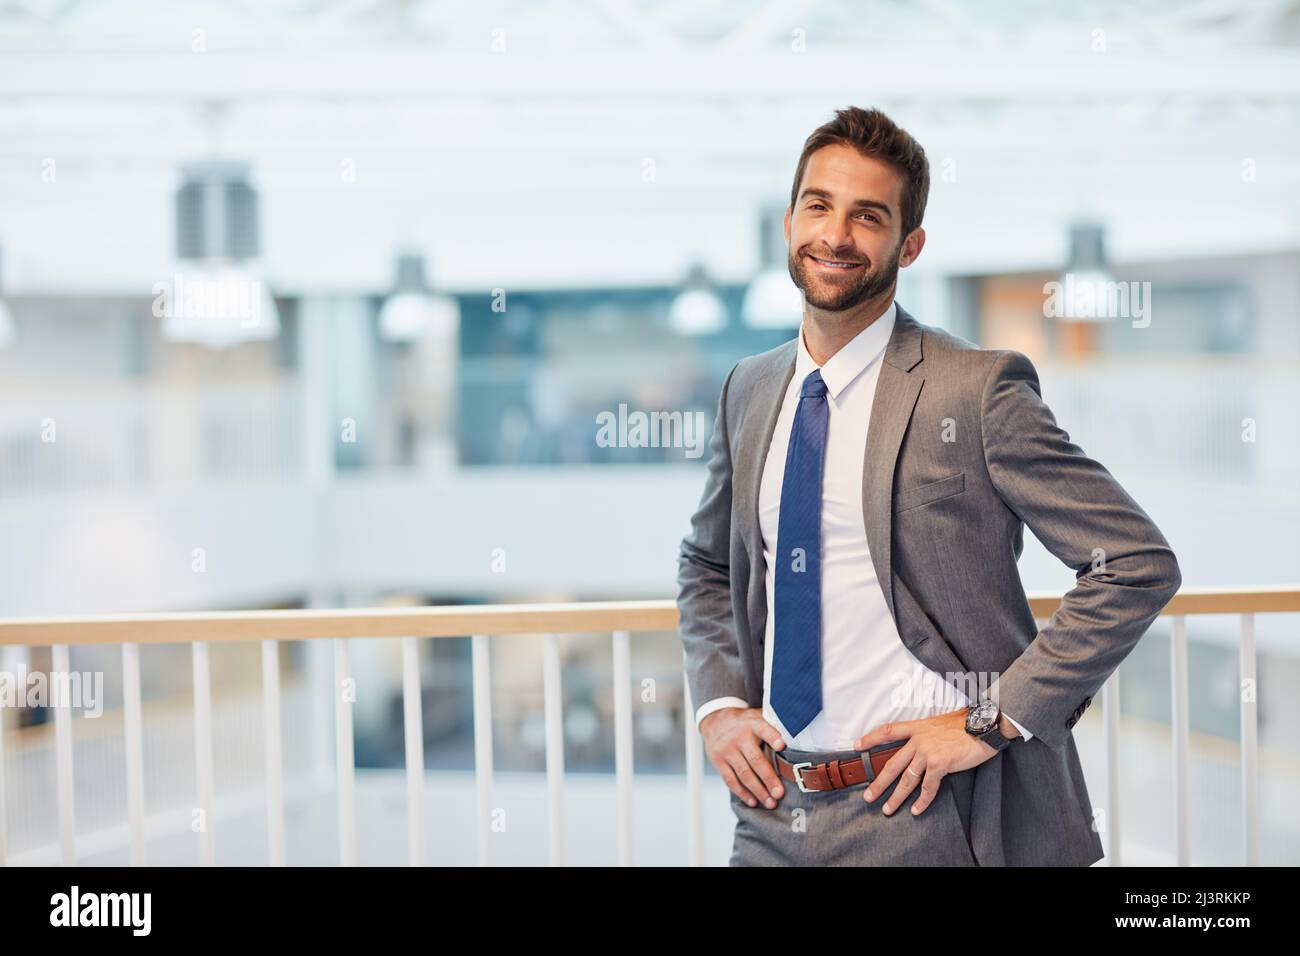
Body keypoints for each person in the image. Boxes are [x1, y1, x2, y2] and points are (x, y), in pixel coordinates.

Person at [676, 106, 1181, 866]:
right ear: (788, 222)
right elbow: (708, 563)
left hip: (931, 814)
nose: (836, 235)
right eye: (818, 206)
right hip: (774, 812)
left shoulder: (975, 391)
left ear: (909, 245)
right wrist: (718, 706)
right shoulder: (749, 389)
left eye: (868, 216)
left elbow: (1134, 563)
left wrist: (988, 720)